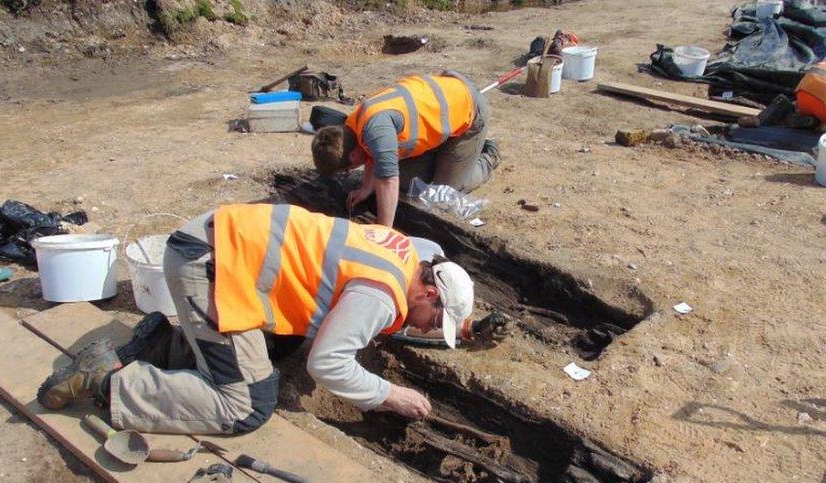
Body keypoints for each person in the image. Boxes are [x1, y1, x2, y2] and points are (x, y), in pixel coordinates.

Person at [36, 203, 477, 434]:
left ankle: (161, 342)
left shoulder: (406, 251)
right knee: (248, 405)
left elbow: (392, 293)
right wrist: (388, 394)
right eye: (432, 322)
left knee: (284, 339)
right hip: (206, 267)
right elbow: (326, 364)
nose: (422, 330)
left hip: (217, 243)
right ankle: (109, 383)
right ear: (429, 292)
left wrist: (461, 324)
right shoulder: (380, 295)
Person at [311, 71, 500, 228]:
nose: (349, 172)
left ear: (352, 156)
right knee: (408, 182)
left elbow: (387, 180)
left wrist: (384, 230)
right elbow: (372, 155)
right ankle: (444, 155)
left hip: (467, 112)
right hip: (440, 116)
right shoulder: (353, 126)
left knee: (444, 193)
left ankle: (489, 154)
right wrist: (366, 188)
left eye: (347, 170)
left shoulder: (376, 128)